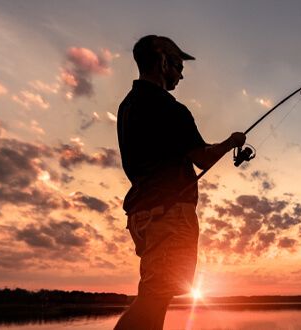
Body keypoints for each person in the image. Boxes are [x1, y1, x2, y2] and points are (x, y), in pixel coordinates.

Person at [114, 35, 245, 330]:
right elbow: (203, 158)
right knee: (154, 296)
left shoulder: (128, 106)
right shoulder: (170, 108)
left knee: (156, 295)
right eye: (177, 64)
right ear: (162, 61)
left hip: (143, 215)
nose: (182, 73)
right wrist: (231, 142)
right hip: (169, 215)